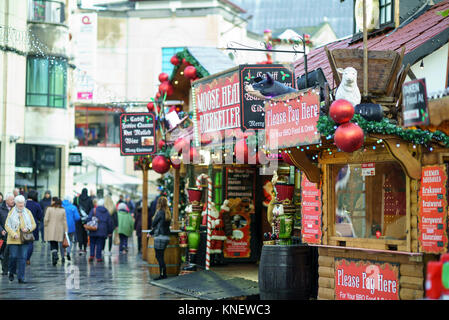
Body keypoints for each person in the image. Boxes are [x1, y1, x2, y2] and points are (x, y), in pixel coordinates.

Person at [4, 195, 36, 283]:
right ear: (16, 203)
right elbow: (7, 225)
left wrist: (28, 229)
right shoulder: (11, 212)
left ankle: (21, 277)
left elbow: (33, 224)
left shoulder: (28, 212)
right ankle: (11, 271)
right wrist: (13, 234)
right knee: (13, 256)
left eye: (23, 203)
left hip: (24, 239)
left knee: (23, 258)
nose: (21, 205)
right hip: (13, 239)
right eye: (19, 203)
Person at [149, 196, 171, 280]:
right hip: (166, 237)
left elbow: (154, 224)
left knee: (159, 256)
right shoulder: (167, 213)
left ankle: (163, 275)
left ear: (158, 204)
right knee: (160, 256)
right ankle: (163, 274)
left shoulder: (160, 212)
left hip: (159, 237)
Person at [44, 197, 68, 266]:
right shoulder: (62, 210)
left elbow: (46, 219)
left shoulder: (49, 209)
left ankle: (55, 254)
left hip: (51, 229)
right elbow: (64, 221)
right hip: (60, 229)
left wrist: (46, 226)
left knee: (53, 243)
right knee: (58, 243)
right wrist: (66, 230)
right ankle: (57, 255)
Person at [25, 190, 43, 265]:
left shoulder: (23, 203)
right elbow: (40, 216)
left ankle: (22, 257)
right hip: (32, 226)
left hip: (23, 225)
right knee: (30, 243)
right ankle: (27, 259)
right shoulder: (36, 205)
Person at [74, 188, 93, 255]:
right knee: (85, 233)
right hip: (86, 219)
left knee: (79, 233)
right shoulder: (90, 199)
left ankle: (80, 247)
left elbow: (75, 207)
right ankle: (85, 247)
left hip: (79, 218)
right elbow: (92, 209)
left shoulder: (77, 199)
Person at [62, 195, 80, 261]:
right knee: (70, 240)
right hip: (71, 227)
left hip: (61, 226)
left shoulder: (60, 207)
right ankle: (68, 252)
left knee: (61, 240)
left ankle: (62, 255)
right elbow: (77, 217)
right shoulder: (73, 207)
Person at [0, 193, 14, 275]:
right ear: (6, 200)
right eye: (11, 200)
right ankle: (5, 270)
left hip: (14, 235)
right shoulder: (1, 208)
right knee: (4, 253)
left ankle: (11, 269)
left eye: (13, 199)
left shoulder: (16, 208)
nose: (13, 201)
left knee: (12, 253)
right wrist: (1, 230)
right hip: (4, 235)